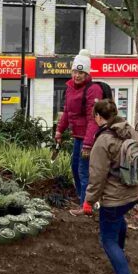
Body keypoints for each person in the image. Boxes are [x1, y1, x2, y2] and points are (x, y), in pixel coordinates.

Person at [84, 99, 138, 274]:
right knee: (118, 221)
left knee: (107, 239)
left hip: (115, 197)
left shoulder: (104, 140)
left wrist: (89, 201)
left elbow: (97, 175)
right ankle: (120, 258)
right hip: (134, 192)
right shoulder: (130, 131)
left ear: (99, 117)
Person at [54, 49, 104, 214]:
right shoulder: (70, 88)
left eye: (81, 72)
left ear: (87, 73)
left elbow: (93, 119)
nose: (77, 75)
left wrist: (88, 144)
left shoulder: (93, 90)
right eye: (75, 71)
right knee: (75, 168)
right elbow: (67, 112)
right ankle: (83, 200)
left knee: (84, 170)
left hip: (89, 139)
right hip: (78, 136)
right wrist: (59, 131)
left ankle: (86, 206)